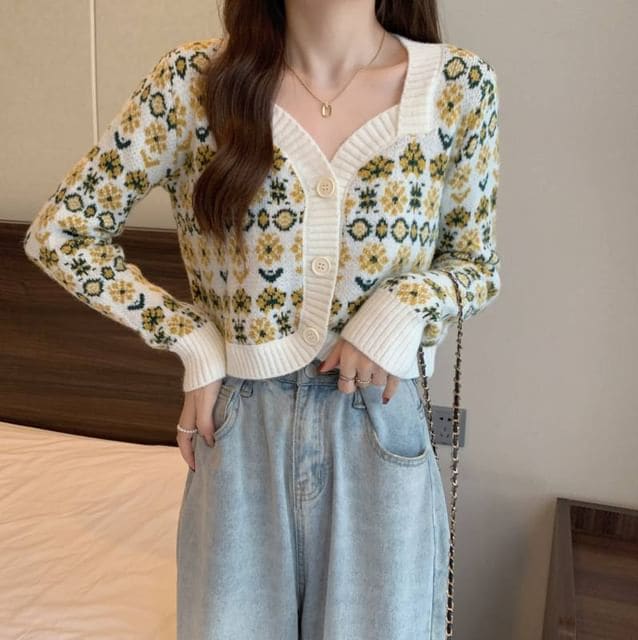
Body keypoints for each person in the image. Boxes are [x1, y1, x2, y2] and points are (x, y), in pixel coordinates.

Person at [23, 0, 501, 637]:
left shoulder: (458, 86)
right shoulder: (193, 83)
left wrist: (401, 304)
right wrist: (191, 338)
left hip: (381, 430)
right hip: (241, 430)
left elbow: (476, 265)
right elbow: (61, 234)